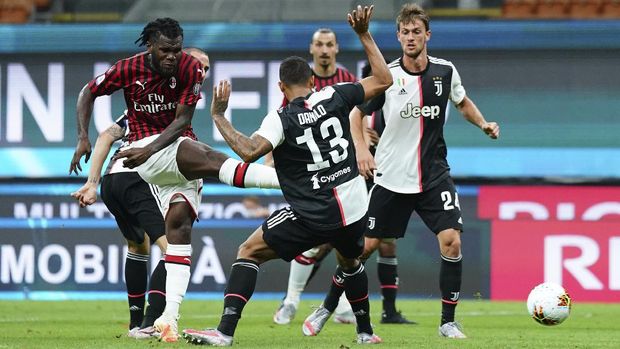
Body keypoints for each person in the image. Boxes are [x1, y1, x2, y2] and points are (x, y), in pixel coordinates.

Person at [182, 5, 392, 346]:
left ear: (281, 85)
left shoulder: (280, 118)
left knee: (248, 251)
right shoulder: (335, 94)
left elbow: (250, 151)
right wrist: (364, 34)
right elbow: (384, 79)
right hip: (354, 206)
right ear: (311, 81)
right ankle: (366, 333)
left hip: (314, 212)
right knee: (351, 261)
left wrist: (219, 117)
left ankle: (224, 333)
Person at [69, 18, 279, 342]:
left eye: (177, 50)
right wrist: (83, 138)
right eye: (166, 50)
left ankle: (169, 318)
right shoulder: (127, 69)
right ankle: (291, 182)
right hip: (143, 150)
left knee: (179, 231)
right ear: (150, 45)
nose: (172, 57)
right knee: (212, 159)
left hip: (169, 156)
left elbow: (182, 121)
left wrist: (147, 153)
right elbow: (89, 91)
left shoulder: (190, 69)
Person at [317, 3, 500, 339]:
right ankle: (326, 307)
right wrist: (360, 150)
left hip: (433, 174)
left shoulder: (445, 72)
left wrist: (483, 123)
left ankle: (448, 322)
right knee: (363, 249)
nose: (411, 37)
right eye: (405, 32)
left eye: (417, 31)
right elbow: (356, 114)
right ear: (398, 37)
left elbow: (461, 102)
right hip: (390, 175)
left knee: (451, 242)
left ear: (427, 35)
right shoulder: (387, 77)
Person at [69, 48, 211, 339]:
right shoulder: (167, 103)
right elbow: (108, 133)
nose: (202, 72)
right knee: (173, 251)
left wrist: (95, 183)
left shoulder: (150, 101)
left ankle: (136, 323)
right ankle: (150, 323)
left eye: (207, 69)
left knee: (138, 245)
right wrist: (91, 182)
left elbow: (109, 134)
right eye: (198, 64)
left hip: (114, 181)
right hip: (137, 178)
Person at [272, 26, 359, 327]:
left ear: (336, 49)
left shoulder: (347, 80)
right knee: (321, 242)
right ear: (311, 49)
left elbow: (358, 118)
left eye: (329, 44)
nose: (324, 50)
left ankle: (345, 303)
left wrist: (362, 147)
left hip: (343, 170)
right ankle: (292, 300)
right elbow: (283, 126)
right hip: (310, 175)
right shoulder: (296, 82)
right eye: (319, 44)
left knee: (348, 242)